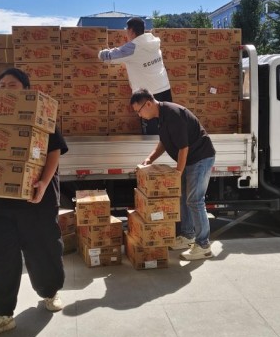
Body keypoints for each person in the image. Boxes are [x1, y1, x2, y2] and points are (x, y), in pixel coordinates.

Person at [0, 67, 69, 337]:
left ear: (26, 89)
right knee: (1, 258)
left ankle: (50, 293)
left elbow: (54, 151)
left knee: (43, 249)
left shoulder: (40, 113)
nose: (5, 88)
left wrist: (42, 183)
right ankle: (1, 314)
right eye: (1, 84)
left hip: (34, 199)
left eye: (12, 84)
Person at [130, 89, 216, 260]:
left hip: (200, 158)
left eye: (139, 111)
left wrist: (177, 172)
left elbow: (184, 147)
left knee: (195, 200)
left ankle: (204, 245)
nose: (139, 115)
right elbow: (164, 141)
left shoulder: (173, 114)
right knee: (183, 197)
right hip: (191, 160)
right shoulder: (161, 116)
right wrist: (149, 159)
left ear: (148, 103)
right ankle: (187, 235)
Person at [77, 17, 172, 135]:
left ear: (131, 31)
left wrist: (89, 51)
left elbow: (111, 56)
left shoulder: (133, 47)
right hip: (165, 89)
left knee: (151, 134)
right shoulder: (153, 41)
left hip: (149, 95)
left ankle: (152, 152)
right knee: (167, 128)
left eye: (126, 30)